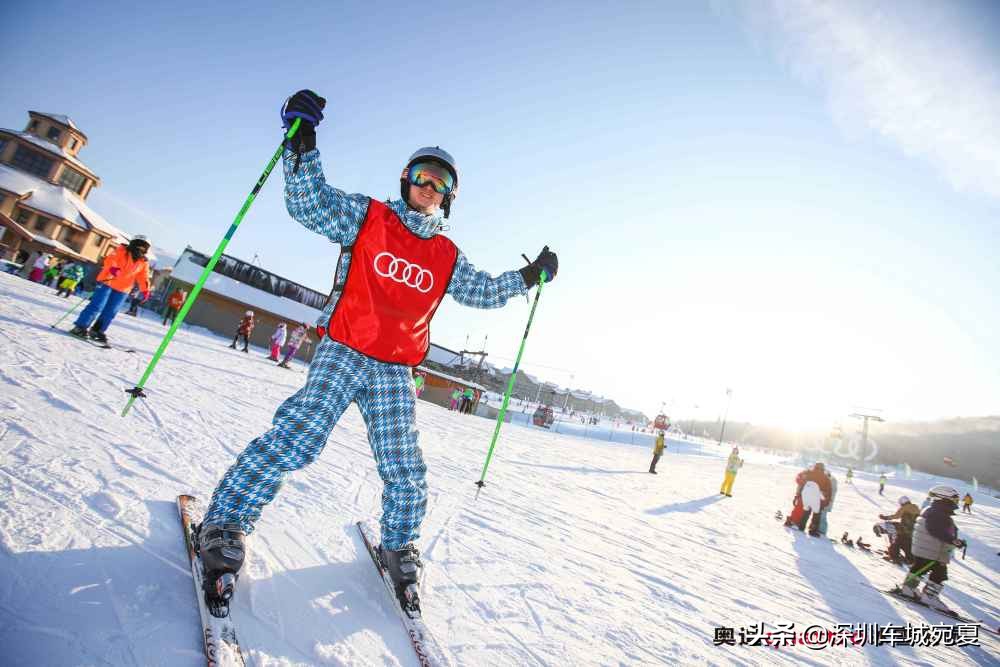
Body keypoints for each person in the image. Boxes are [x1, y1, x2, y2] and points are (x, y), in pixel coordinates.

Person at [198, 90, 557, 614]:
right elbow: (309, 203)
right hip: (345, 348)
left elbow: (481, 291)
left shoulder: (445, 254)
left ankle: (399, 545)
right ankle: (226, 522)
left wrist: (529, 276)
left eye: (442, 184)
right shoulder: (368, 218)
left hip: (395, 367)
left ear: (449, 197)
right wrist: (302, 146)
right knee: (297, 438)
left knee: (405, 466)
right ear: (407, 181)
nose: (430, 188)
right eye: (422, 177)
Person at [68, 237, 151, 344]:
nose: (140, 247)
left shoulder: (143, 261)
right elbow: (110, 260)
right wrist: (113, 269)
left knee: (111, 311)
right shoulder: (121, 250)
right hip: (108, 282)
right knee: (97, 306)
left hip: (123, 289)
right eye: (138, 244)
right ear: (133, 243)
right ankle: (80, 327)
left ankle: (97, 331)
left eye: (143, 246)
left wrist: (145, 290)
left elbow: (143, 276)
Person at [898, 485, 966, 609]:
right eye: (954, 499)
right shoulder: (938, 513)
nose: (956, 502)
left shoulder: (934, 510)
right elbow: (935, 530)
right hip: (932, 550)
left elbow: (937, 529)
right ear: (944, 498)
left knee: (920, 567)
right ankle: (929, 597)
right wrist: (953, 540)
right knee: (939, 573)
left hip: (927, 549)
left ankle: (908, 588)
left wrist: (953, 539)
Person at [877, 496, 920, 564]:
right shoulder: (916, 508)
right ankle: (910, 559)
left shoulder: (905, 507)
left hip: (903, 530)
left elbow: (896, 516)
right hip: (913, 531)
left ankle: (894, 557)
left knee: (896, 544)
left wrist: (885, 517)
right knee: (907, 545)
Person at [794, 462, 832, 536]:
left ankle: (801, 526)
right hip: (817, 500)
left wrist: (799, 494)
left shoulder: (808, 473)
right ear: (823, 469)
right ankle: (813, 530)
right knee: (816, 515)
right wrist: (826, 502)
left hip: (806, 498)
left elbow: (800, 479)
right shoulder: (826, 478)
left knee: (806, 512)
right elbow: (828, 491)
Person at [817, 471, 838, 536]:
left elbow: (829, 493)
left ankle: (823, 530)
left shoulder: (831, 482)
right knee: (821, 515)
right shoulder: (832, 482)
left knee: (823, 516)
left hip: (827, 502)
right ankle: (820, 528)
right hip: (826, 501)